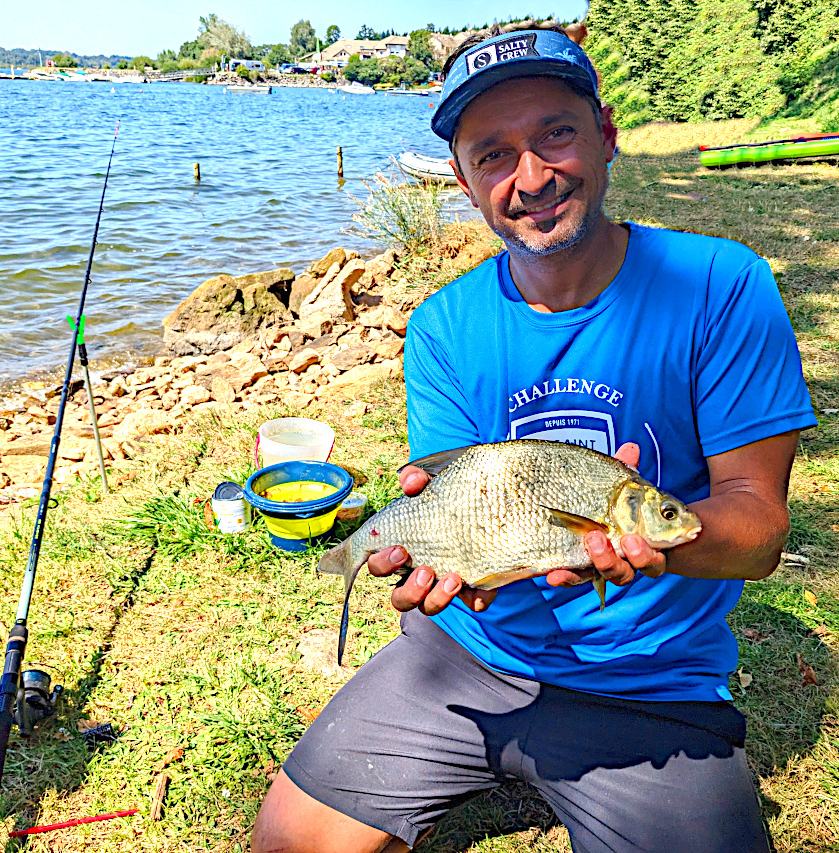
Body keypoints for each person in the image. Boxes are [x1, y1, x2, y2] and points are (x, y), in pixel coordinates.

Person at [251, 24, 816, 853]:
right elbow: (449, 492)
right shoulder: (443, 324)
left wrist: (655, 543)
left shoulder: (721, 287)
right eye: (494, 154)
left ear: (606, 134)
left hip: (647, 686)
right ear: (465, 180)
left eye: (555, 132)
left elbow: (758, 529)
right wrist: (438, 573)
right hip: (462, 654)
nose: (532, 176)